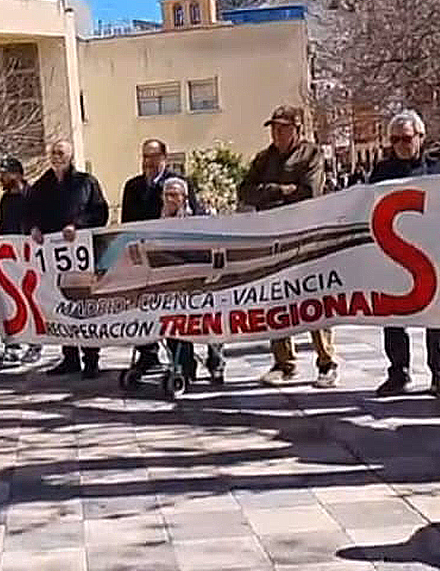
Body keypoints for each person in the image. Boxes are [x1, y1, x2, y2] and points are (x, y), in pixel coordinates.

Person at [237, 105, 338, 389]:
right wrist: (281, 190)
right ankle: (284, 362)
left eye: (282, 127)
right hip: (273, 237)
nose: (277, 133)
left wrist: (270, 193)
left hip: (307, 237)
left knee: (314, 298)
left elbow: (309, 192)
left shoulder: (311, 154)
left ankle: (326, 362)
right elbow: (245, 191)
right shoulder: (263, 158)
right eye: (273, 128)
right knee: (277, 299)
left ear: (297, 129)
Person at [368, 111, 440, 399]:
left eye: (406, 139)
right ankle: (398, 373)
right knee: (392, 317)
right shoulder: (382, 172)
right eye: (395, 140)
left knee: (436, 316)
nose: (401, 145)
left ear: (420, 137)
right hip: (394, 256)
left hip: (433, 254)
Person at [121, 139, 219, 382]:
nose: (148, 162)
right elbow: (127, 225)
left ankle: (214, 360)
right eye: (144, 157)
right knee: (166, 317)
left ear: (164, 158)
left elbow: (198, 223)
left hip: (191, 268)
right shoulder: (133, 187)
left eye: (153, 157)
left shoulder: (180, 181)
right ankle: (174, 363)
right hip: (156, 265)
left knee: (205, 315)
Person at [26, 139, 110, 379]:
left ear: (70, 156)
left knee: (84, 305)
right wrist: (33, 227)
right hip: (54, 258)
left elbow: (100, 212)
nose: (56, 156)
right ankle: (70, 357)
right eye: (53, 152)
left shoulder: (86, 183)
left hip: (81, 256)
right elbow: (29, 212)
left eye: (61, 152)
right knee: (60, 305)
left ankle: (91, 359)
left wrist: (77, 225)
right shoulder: (41, 185)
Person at [158, 177, 227, 384]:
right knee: (174, 324)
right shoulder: (157, 221)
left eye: (175, 195)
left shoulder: (198, 218)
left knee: (211, 324)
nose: (170, 199)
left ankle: (216, 364)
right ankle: (185, 367)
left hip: (201, 277)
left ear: (185, 197)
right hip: (173, 280)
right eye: (167, 195)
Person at [0, 156, 40, 364]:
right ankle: (13, 343)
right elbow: (5, 227)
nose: (1, 178)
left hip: (31, 258)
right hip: (11, 259)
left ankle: (35, 344)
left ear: (17, 174)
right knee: (10, 300)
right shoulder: (5, 200)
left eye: (5, 173)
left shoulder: (34, 195)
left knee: (34, 299)